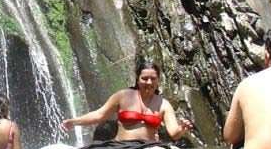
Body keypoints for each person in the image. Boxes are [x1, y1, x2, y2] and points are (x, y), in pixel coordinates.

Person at [61, 59, 194, 143]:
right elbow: (100, 115)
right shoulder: (123, 96)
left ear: (158, 80)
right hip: (121, 147)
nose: (149, 82)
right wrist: (74, 122)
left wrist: (182, 128)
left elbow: (174, 134)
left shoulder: (164, 104)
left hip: (149, 148)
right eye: (144, 78)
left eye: (153, 79)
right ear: (137, 79)